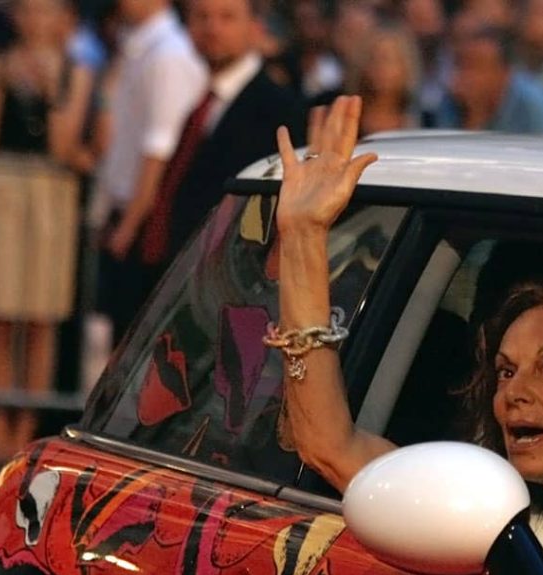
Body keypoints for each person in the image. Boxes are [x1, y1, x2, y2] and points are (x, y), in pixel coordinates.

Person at [271, 97, 543, 568]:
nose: (515, 394)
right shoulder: (504, 539)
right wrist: (303, 234)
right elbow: (331, 446)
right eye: (505, 372)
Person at [138, 0, 306, 292]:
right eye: (202, 16)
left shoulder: (279, 110)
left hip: (231, 284)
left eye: (227, 17)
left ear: (255, 28)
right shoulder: (201, 101)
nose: (212, 28)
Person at [0, 0, 80, 462]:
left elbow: (65, 146)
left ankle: (26, 433)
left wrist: (49, 88)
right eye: (29, 10)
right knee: (0, 316)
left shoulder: (75, 72)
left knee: (41, 318)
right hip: (3, 189)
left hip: (50, 194)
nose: (37, 21)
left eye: (47, 11)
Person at [93, 0, 207, 344]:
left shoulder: (169, 54)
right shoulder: (140, 47)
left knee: (133, 338)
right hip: (127, 211)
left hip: (145, 219)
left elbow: (162, 147)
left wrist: (130, 223)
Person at [434, 24, 543, 132]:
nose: (466, 76)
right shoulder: (451, 102)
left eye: (476, 67)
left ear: (504, 73)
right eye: (462, 66)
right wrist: (473, 116)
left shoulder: (536, 104)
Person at [343, 24, 422, 135]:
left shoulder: (423, 118)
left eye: (388, 60)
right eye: (374, 59)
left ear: (405, 66)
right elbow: (314, 152)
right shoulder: (340, 114)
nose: (381, 67)